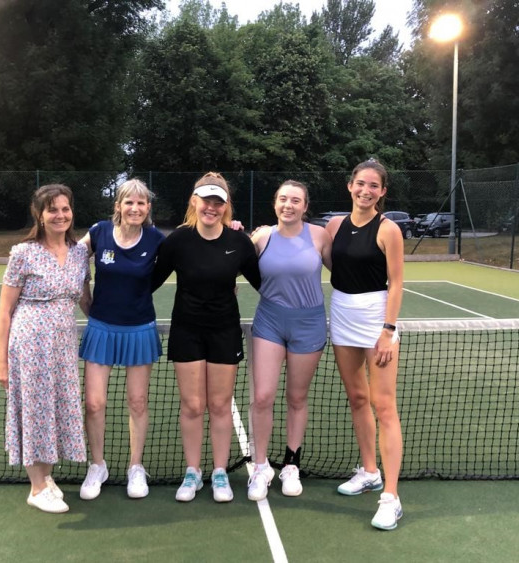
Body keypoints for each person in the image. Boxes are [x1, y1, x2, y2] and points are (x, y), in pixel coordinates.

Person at [151, 172, 261, 503]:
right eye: (206, 200)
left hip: (225, 332)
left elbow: (265, 285)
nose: (211, 208)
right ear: (194, 202)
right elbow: (149, 282)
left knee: (218, 404)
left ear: (225, 207)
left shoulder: (239, 243)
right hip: (186, 330)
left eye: (218, 202)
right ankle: (193, 472)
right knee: (193, 405)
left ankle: (220, 473)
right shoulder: (177, 241)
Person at [0, 184, 90, 514]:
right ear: (40, 214)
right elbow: (5, 310)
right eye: (52, 210)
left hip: (64, 345)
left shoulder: (80, 253)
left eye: (65, 208)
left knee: (55, 408)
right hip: (30, 343)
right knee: (35, 410)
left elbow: (84, 299)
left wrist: (112, 321)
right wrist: (2, 361)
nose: (60, 215)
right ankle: (36, 488)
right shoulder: (23, 253)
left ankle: (46, 477)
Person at [325, 160, 404, 530]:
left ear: (382, 192)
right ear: (349, 186)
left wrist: (387, 330)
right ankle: (369, 471)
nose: (366, 190)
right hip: (341, 313)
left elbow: (397, 282)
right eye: (360, 184)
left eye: (374, 186)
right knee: (357, 399)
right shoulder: (335, 225)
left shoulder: (389, 229)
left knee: (383, 406)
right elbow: (324, 257)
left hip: (376, 320)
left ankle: (391, 496)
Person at [77, 179, 165, 500]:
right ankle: (97, 465)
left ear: (148, 209)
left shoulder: (156, 239)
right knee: (94, 402)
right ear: (118, 206)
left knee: (138, 402)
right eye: (129, 202)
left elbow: (186, 256)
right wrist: (83, 295)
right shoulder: (99, 232)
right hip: (101, 328)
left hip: (139, 329)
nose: (135, 208)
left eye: (141, 203)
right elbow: (72, 258)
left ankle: (135, 467)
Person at [247, 180, 332, 501]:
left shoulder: (320, 237)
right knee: (263, 396)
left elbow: (345, 272)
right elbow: (233, 260)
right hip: (269, 321)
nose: (289, 205)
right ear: (275, 203)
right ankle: (260, 467)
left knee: (296, 398)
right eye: (283, 199)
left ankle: (291, 464)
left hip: (309, 324)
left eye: (295, 200)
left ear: (305, 206)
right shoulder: (262, 237)